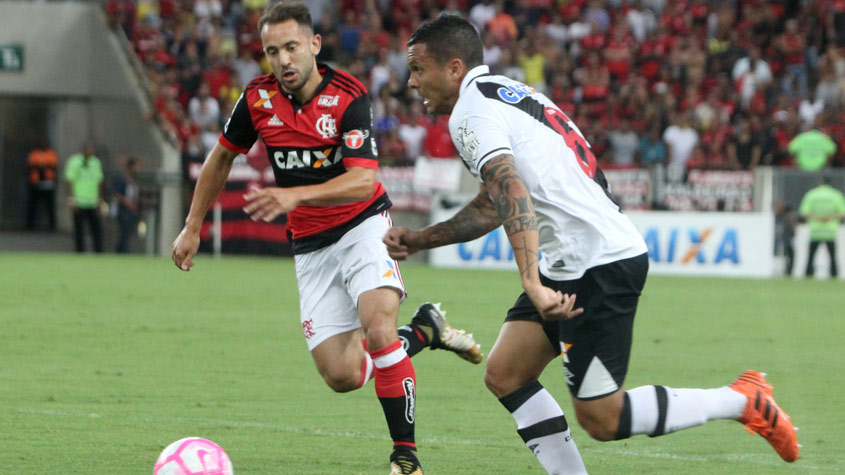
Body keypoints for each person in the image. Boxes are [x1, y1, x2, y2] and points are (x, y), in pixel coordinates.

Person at [385, 14, 800, 474]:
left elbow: (511, 191)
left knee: (603, 417)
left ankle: (743, 400)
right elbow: (492, 203)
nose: (411, 81)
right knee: (506, 374)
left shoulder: (472, 111)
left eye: (419, 68)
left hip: (598, 263)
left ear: (454, 67)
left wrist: (530, 281)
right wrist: (424, 238)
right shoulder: (503, 93)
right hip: (574, 261)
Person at [170, 3, 481, 475]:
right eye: (272, 51)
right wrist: (192, 226)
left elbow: (361, 179)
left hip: (363, 227)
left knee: (377, 330)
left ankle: (406, 457)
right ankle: (423, 331)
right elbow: (220, 157)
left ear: (314, 45)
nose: (283, 60)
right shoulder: (257, 99)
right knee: (342, 375)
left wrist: (294, 195)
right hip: (311, 246)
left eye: (292, 47)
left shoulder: (348, 96)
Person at [799, 176, 845, 278]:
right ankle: (834, 275)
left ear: (820, 182)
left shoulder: (811, 194)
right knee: (832, 256)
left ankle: (808, 274)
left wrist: (818, 218)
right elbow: (842, 213)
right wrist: (828, 218)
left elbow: (804, 212)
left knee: (811, 256)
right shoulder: (836, 195)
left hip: (815, 230)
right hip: (830, 231)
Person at [65, 143, 104, 253]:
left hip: (92, 202)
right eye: (90, 150)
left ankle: (99, 252)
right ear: (84, 150)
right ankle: (79, 252)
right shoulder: (75, 161)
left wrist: (99, 200)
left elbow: (99, 181)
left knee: (96, 229)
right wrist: (71, 200)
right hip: (79, 202)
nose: (92, 153)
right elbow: (70, 181)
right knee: (79, 230)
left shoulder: (95, 162)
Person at [26, 137, 58, 230]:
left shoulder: (51, 154)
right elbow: (31, 165)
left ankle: (52, 225)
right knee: (32, 204)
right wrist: (42, 166)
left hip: (48, 182)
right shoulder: (34, 153)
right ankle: (30, 225)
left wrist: (43, 166)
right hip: (36, 182)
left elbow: (53, 165)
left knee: (49, 205)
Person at [112, 156, 141, 253]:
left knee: (128, 232)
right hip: (123, 211)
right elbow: (117, 194)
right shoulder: (122, 179)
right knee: (123, 233)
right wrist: (127, 203)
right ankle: (121, 251)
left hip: (132, 211)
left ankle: (123, 250)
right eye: (136, 166)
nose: (138, 169)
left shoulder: (134, 181)